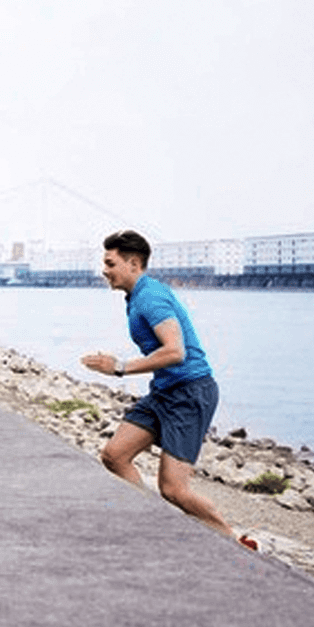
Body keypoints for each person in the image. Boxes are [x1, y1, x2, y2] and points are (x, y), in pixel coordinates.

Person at [81, 230, 258, 551]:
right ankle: (150, 523)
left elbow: (176, 351)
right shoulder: (136, 296)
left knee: (174, 489)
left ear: (133, 263)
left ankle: (236, 543)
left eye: (110, 263)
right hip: (164, 391)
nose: (104, 270)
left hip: (190, 393)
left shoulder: (150, 297)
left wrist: (118, 367)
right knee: (114, 456)